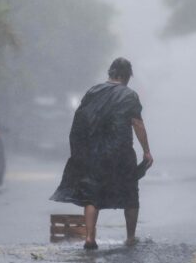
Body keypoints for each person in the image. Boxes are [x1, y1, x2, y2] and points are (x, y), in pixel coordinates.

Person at [50, 57, 153, 250]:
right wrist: (146, 151)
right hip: (121, 153)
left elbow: (79, 121)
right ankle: (130, 238)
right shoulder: (129, 95)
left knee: (92, 195)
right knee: (130, 194)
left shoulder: (93, 92)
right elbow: (137, 124)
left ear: (111, 73)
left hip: (95, 153)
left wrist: (79, 151)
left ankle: (89, 237)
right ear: (126, 76)